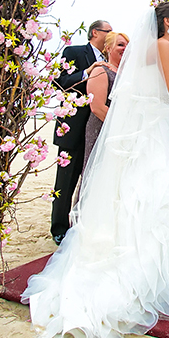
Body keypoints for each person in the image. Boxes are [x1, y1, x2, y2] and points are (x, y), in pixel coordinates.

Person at [22, 2, 169, 338]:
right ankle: (162, 278)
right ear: (167, 22)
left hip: (165, 128)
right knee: (161, 199)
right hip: (160, 130)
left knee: (166, 200)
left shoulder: (163, 48)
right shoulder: (163, 45)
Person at [50, 19, 112, 244]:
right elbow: (59, 82)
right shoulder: (74, 52)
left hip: (97, 130)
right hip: (73, 128)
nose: (111, 35)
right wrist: (87, 71)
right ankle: (58, 228)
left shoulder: (110, 61)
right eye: (109, 31)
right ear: (95, 32)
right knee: (65, 183)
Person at [83, 31, 129, 171]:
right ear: (108, 48)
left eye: (128, 46)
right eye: (120, 45)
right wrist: (123, 126)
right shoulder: (101, 71)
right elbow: (97, 107)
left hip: (125, 132)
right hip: (103, 129)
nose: (125, 49)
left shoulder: (128, 75)